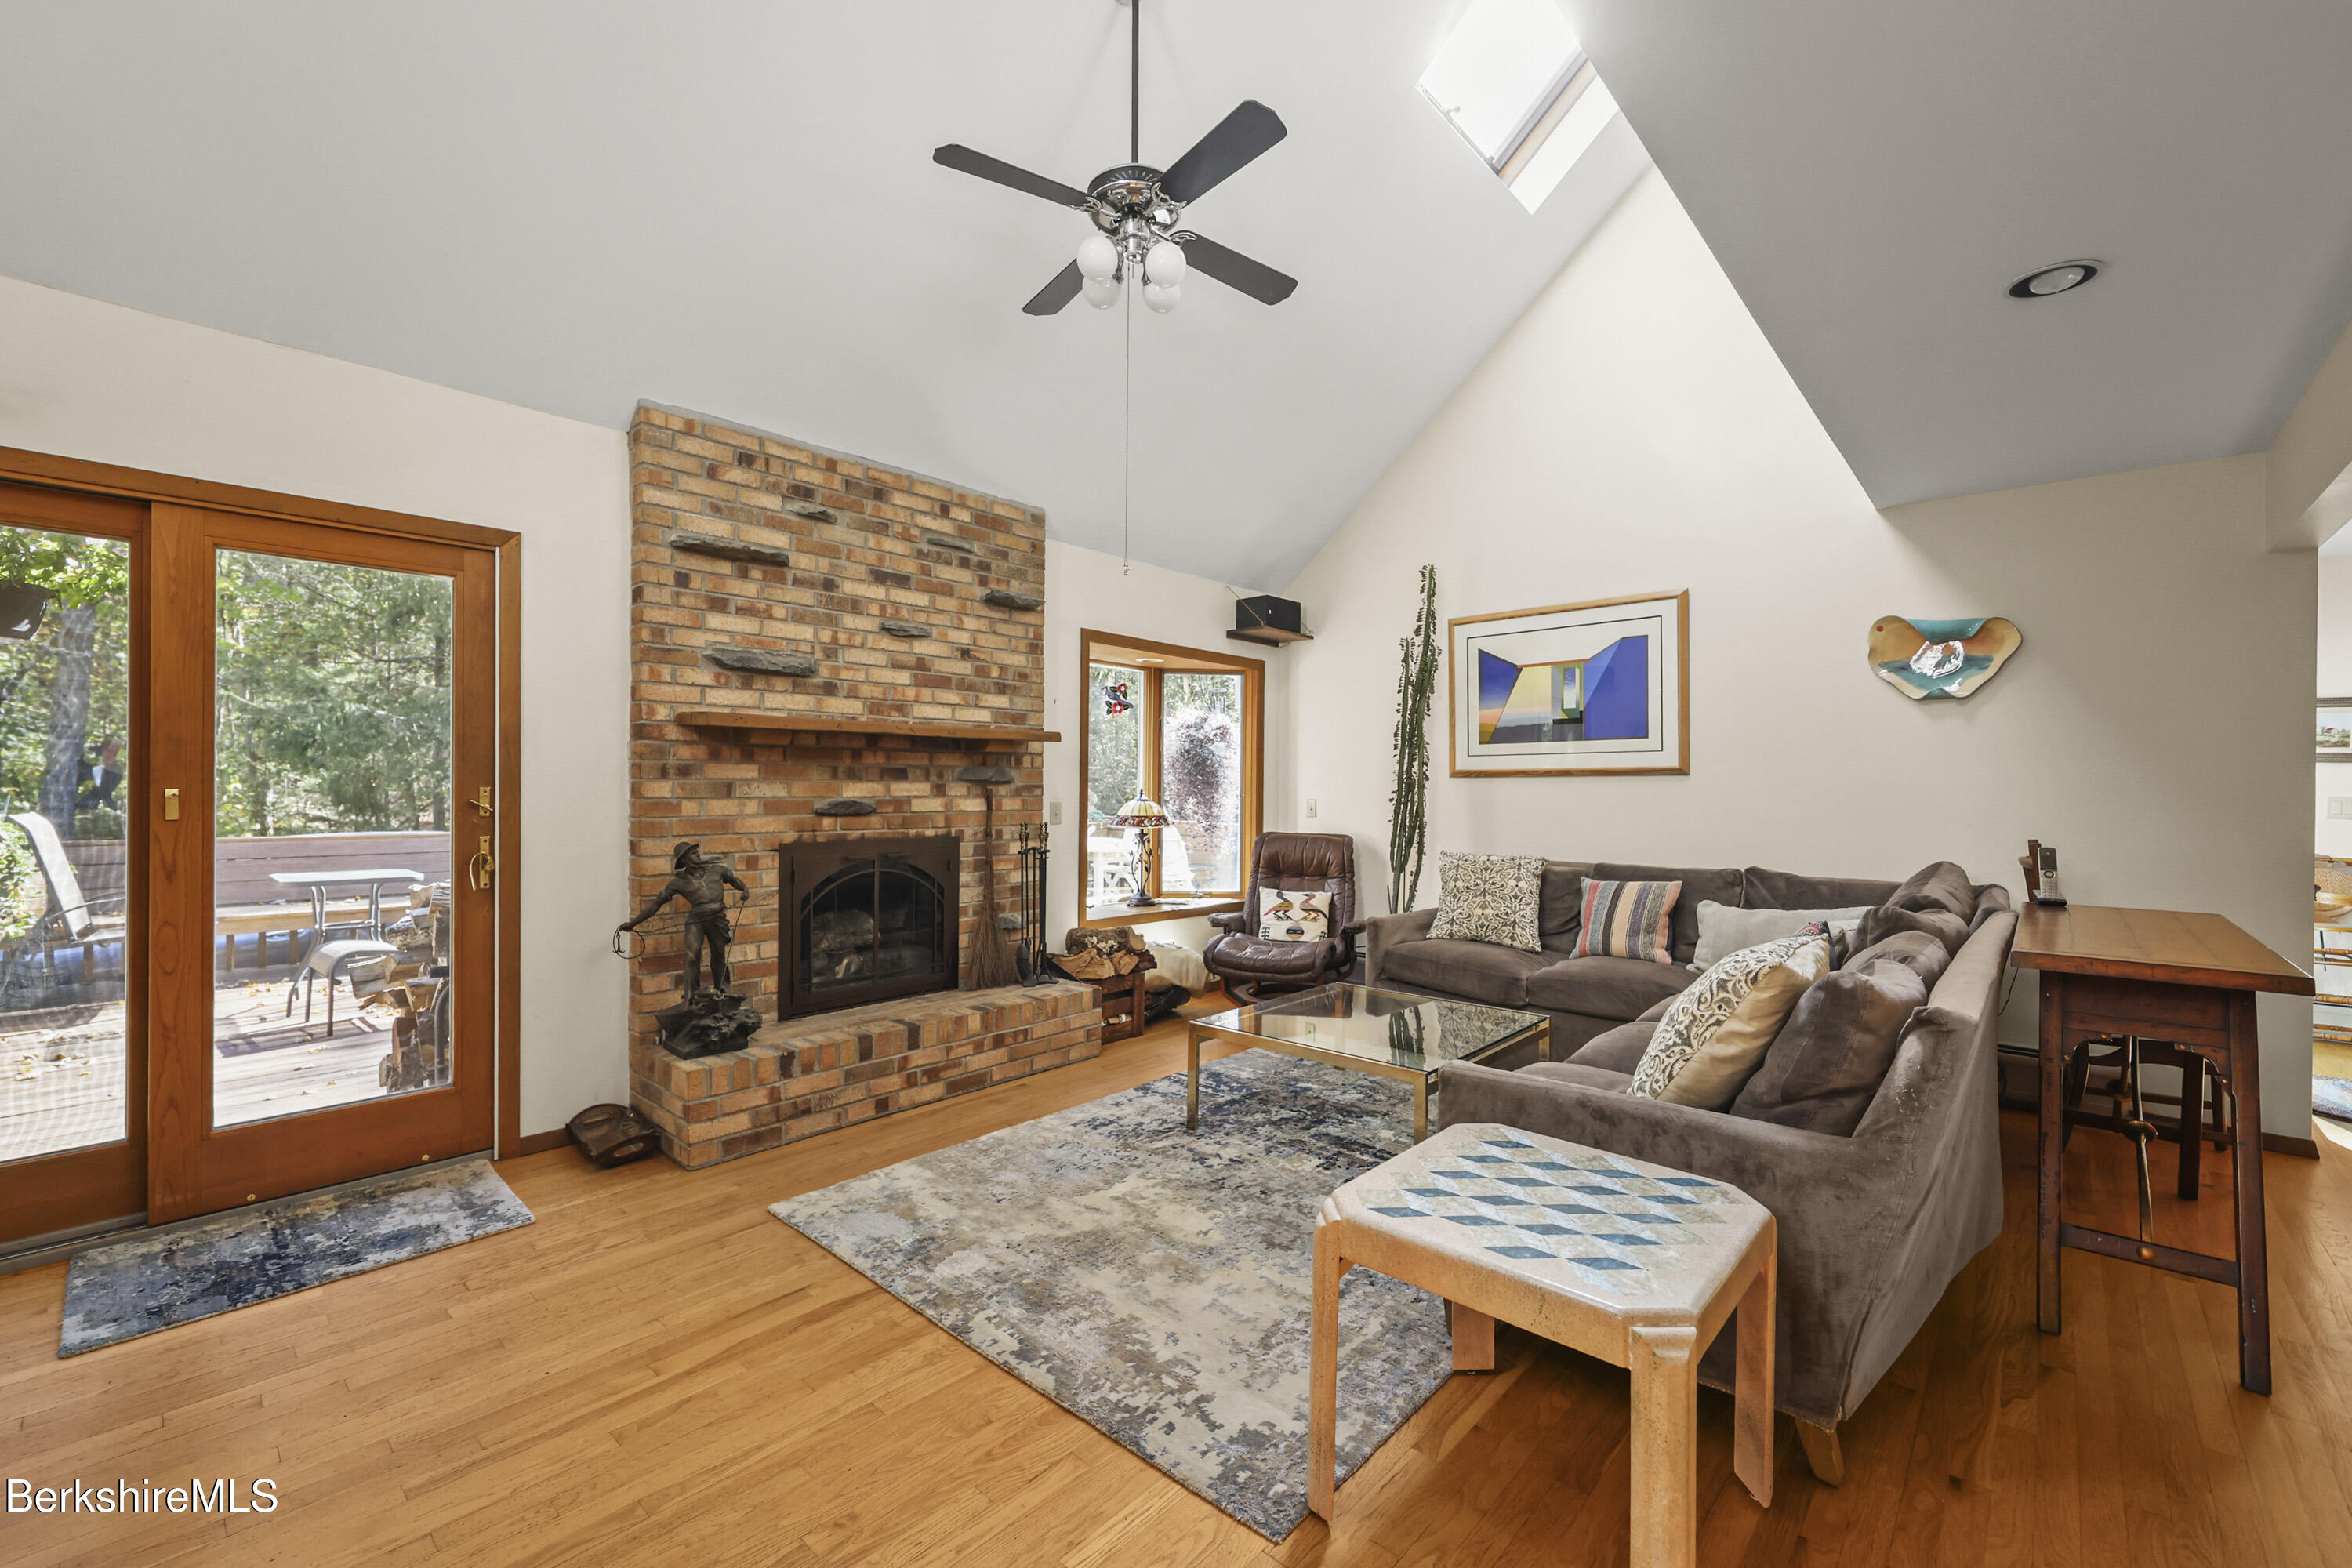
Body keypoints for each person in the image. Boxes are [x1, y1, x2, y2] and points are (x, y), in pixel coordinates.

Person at [617, 842, 748, 996]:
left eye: (696, 852)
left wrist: (744, 889)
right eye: (693, 853)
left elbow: (734, 880)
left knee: (719, 954)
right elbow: (655, 905)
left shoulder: (717, 870)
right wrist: (633, 923)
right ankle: (691, 996)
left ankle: (723, 991)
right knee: (692, 956)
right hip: (696, 921)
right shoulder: (678, 883)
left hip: (718, 918)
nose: (698, 854)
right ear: (684, 860)